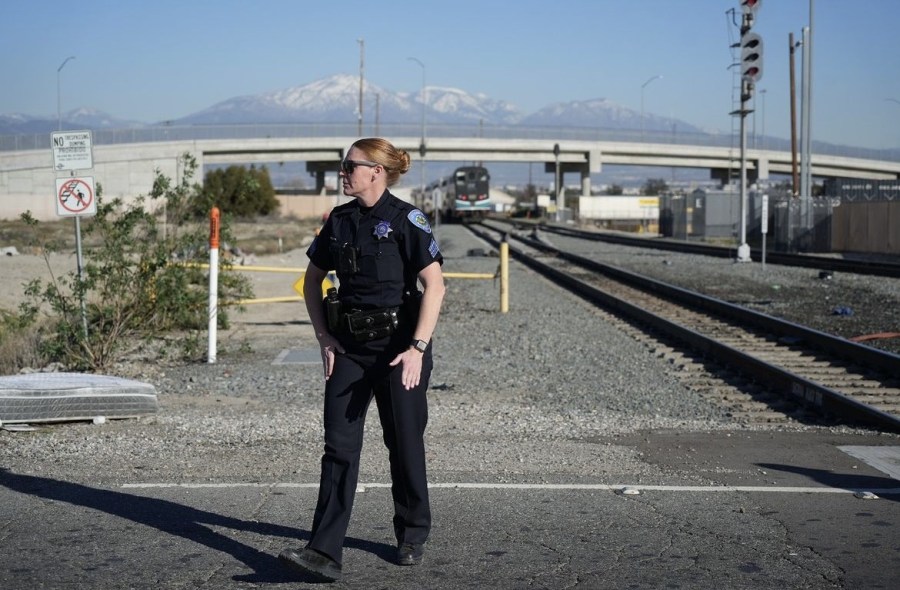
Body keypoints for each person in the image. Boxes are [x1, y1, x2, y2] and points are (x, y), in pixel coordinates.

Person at [279, 138, 445, 582]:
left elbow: (436, 286)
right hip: (349, 351)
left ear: (376, 171)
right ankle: (324, 552)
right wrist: (324, 338)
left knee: (404, 444)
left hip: (398, 351)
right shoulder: (339, 220)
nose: (343, 172)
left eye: (350, 165)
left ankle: (412, 532)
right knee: (338, 448)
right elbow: (312, 280)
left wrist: (418, 349)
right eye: (343, 165)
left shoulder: (406, 219)